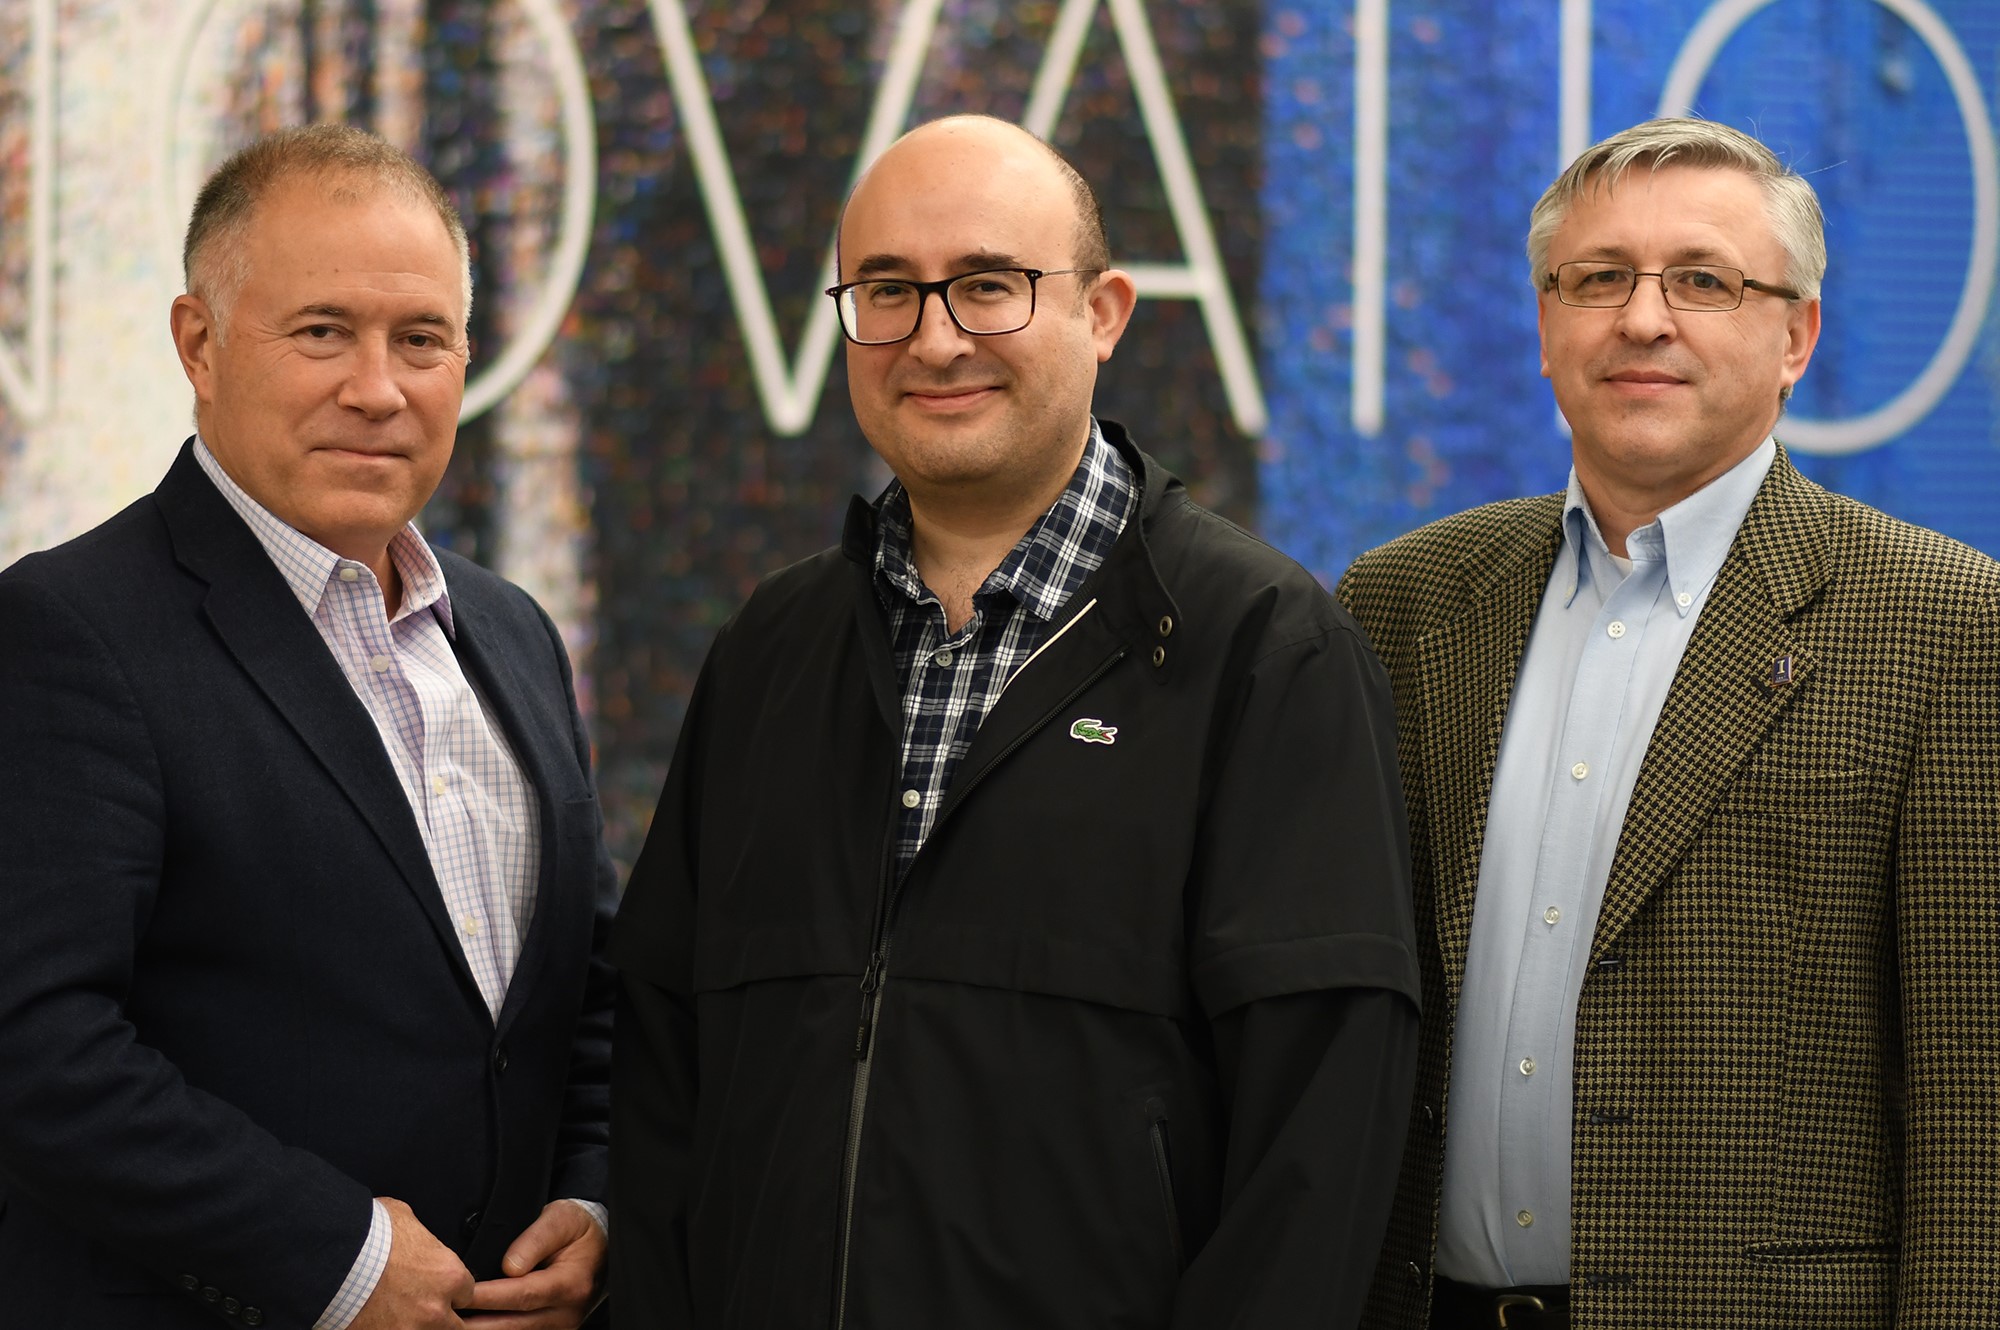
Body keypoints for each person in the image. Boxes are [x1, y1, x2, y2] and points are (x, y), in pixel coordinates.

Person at [610, 113, 1419, 1328]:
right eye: (886, 292)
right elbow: (663, 1075)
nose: (934, 340)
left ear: (1103, 312)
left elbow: (1319, 1144)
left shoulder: (1261, 650)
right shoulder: (768, 653)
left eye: (988, 286)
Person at [1337, 117, 2000, 1330]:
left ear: (1793, 334)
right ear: (1545, 325)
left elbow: (1975, 1099)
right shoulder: (1405, 602)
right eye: (1597, 280)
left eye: (1701, 280)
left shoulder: (1944, 622)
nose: (1641, 319)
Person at [0, 125, 615, 1330]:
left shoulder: (512, 633)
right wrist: (332, 1258)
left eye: (420, 339)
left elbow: (586, 996)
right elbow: (33, 1043)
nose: (377, 388)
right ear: (200, 344)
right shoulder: (64, 630)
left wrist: (596, 1203)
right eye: (322, 331)